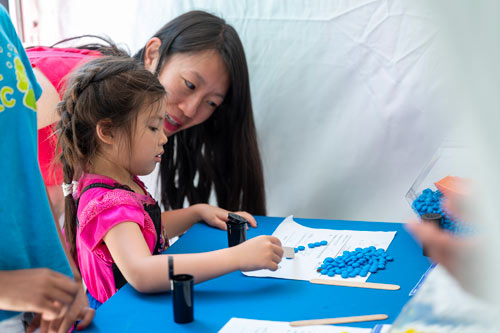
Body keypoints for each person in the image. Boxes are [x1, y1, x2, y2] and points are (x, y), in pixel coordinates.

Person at [56, 55, 283, 309]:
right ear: (107, 132)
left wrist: (197, 212)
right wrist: (237, 258)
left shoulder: (116, 182)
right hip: (124, 319)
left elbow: (142, 228)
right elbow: (143, 273)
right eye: (153, 127)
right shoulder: (106, 203)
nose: (164, 139)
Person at [31, 10, 266, 225]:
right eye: (190, 84)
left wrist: (196, 213)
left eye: (212, 102)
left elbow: (128, 227)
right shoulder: (66, 87)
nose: (191, 110)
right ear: (153, 54)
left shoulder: (124, 136)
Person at [0, 4, 93, 332]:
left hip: (24, 308)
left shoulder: (2, 24)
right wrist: (5, 288)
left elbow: (19, 170)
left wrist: (61, 271)